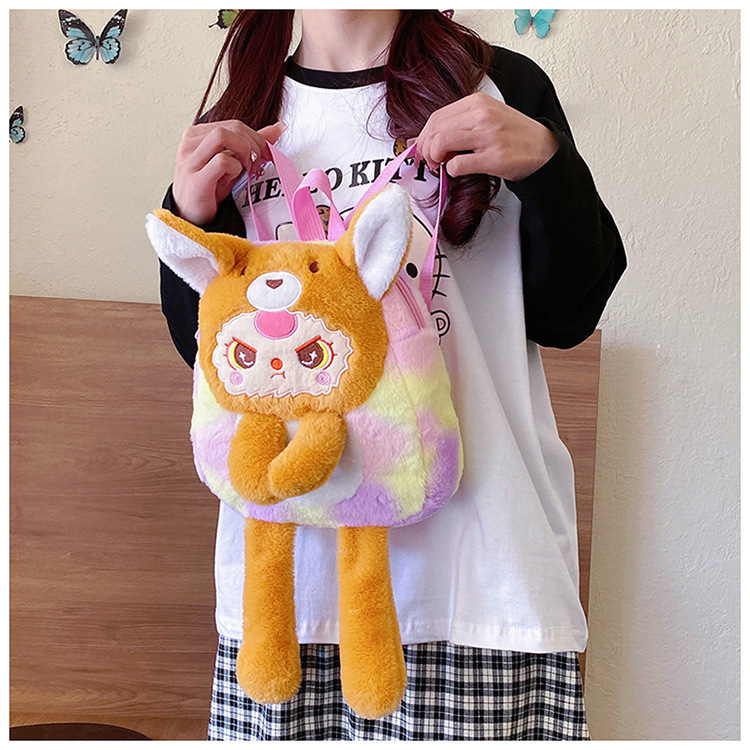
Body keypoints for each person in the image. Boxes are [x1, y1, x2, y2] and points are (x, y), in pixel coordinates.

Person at [158, 9, 625, 741]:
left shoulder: (498, 86)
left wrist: (547, 163)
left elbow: (570, 314)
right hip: (288, 598)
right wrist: (190, 209)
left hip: (485, 584)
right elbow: (214, 363)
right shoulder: (242, 116)